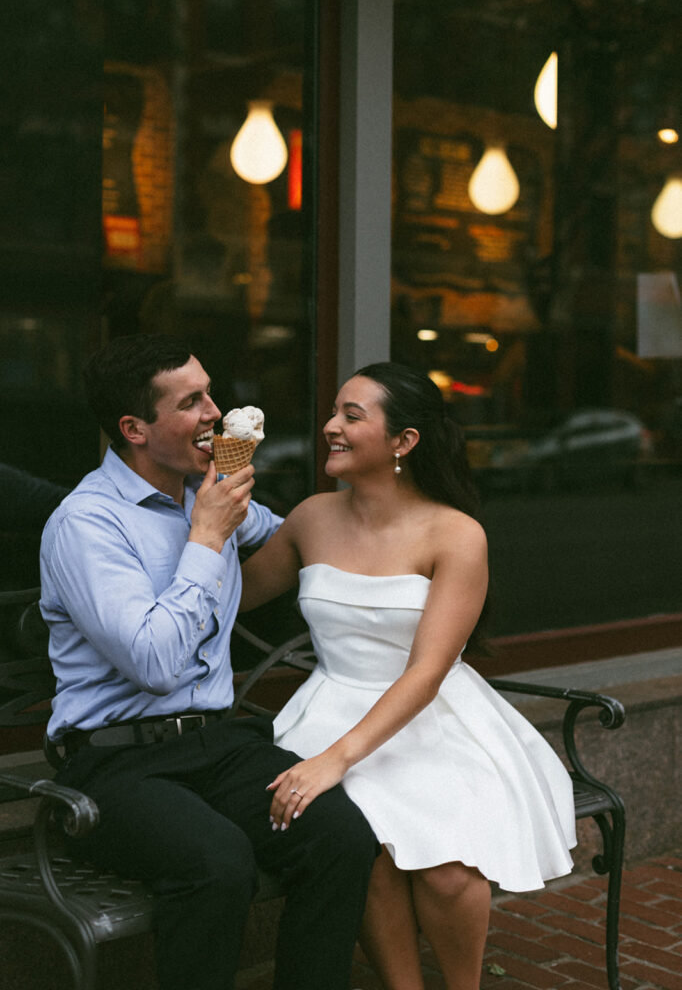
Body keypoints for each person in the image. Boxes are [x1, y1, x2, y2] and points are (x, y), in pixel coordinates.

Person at [39, 334, 376, 990]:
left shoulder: (209, 491)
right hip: (114, 765)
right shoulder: (86, 526)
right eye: (191, 401)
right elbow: (155, 664)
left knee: (339, 834)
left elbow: (299, 543)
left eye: (210, 393)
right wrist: (207, 534)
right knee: (218, 863)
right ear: (135, 428)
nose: (215, 413)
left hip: (219, 745)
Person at [240, 361, 577, 990]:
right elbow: (226, 599)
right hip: (327, 708)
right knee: (362, 854)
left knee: (448, 870)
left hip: (429, 716)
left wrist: (338, 760)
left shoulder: (456, 534)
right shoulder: (312, 517)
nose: (329, 427)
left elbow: (428, 671)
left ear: (405, 441)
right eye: (334, 412)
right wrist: (201, 517)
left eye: (351, 416)